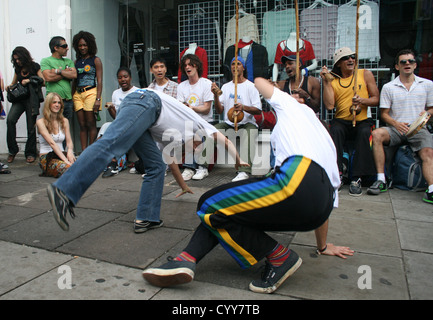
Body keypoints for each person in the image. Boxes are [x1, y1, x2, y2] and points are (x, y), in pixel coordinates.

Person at [142, 78, 353, 294]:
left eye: (299, 96)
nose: (294, 97)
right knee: (231, 211)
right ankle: (186, 259)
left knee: (209, 203)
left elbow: (260, 82)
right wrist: (323, 246)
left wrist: (277, 90)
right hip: (319, 207)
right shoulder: (322, 135)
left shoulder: (291, 106)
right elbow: (322, 195)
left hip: (296, 180)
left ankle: (279, 256)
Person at [46, 88, 248, 233]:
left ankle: (146, 218)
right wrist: (238, 160)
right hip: (145, 101)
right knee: (113, 143)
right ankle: (64, 190)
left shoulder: (173, 140)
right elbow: (223, 139)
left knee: (156, 165)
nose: (196, 148)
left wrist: (183, 185)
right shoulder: (197, 124)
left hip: (147, 117)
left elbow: (169, 162)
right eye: (197, 145)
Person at [368, 49, 433, 204]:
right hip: (396, 128)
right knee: (376, 134)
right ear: (397, 66)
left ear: (415, 64)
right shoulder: (389, 87)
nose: (407, 64)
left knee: (428, 153)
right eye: (403, 62)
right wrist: (396, 123)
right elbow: (384, 114)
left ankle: (431, 190)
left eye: (410, 61)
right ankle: (381, 180)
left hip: (418, 129)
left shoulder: (427, 84)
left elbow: (432, 108)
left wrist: (427, 114)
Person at [321, 47, 380, 196]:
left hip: (362, 120)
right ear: (338, 63)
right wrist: (326, 83)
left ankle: (357, 178)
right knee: (335, 130)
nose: (351, 60)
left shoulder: (365, 74)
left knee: (365, 132)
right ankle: (338, 173)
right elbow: (329, 106)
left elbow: (376, 99)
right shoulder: (333, 80)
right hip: (341, 120)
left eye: (352, 57)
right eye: (346, 58)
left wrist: (362, 101)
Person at [212, 56, 262, 182]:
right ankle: (203, 166)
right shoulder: (226, 87)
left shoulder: (251, 86)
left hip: (247, 123)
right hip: (229, 123)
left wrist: (243, 107)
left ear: (243, 67)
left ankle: (243, 171)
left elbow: (258, 110)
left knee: (250, 133)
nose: (235, 67)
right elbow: (219, 110)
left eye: (238, 64)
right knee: (211, 131)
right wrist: (215, 97)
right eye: (233, 64)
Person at [177, 54, 214, 181]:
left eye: (190, 64)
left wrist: (191, 108)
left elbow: (207, 108)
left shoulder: (206, 83)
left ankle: (202, 167)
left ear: (196, 66)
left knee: (203, 133)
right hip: (188, 121)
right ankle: (189, 168)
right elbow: (180, 108)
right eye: (185, 65)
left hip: (205, 121)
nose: (187, 67)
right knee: (187, 130)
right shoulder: (181, 86)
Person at [6, 47, 45, 164]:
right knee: (10, 120)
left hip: (31, 99)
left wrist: (29, 80)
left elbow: (43, 80)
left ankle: (31, 152)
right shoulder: (17, 69)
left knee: (31, 127)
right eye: (15, 59)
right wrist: (9, 87)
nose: (17, 61)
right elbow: (13, 83)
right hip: (20, 99)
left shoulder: (35, 66)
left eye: (18, 59)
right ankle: (13, 150)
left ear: (24, 56)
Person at [101, 67, 138, 178]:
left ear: (130, 78)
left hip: (133, 124)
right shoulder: (115, 93)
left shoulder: (137, 91)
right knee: (105, 126)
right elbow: (116, 117)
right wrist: (111, 109)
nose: (123, 80)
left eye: (125, 77)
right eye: (120, 77)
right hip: (119, 123)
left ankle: (113, 164)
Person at [72, 31, 103, 151]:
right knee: (82, 125)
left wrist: (98, 99)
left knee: (91, 124)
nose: (82, 47)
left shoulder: (96, 60)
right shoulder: (76, 62)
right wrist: (71, 96)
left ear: (90, 45)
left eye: (85, 45)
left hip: (91, 92)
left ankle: (91, 151)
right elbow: (74, 81)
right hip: (78, 94)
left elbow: (99, 81)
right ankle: (84, 151)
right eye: (80, 45)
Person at [37, 93, 75, 178]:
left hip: (61, 154)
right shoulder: (41, 122)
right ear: (48, 105)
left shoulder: (64, 121)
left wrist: (70, 151)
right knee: (69, 169)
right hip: (47, 158)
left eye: (59, 103)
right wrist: (66, 161)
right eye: (54, 102)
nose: (57, 105)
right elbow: (52, 143)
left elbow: (69, 141)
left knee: (82, 165)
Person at [40, 36, 77, 123]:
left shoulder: (68, 61)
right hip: (53, 101)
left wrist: (58, 71)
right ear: (56, 48)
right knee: (53, 128)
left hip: (67, 101)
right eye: (64, 46)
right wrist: (65, 73)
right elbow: (48, 77)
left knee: (65, 128)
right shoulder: (46, 61)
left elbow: (74, 75)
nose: (67, 48)